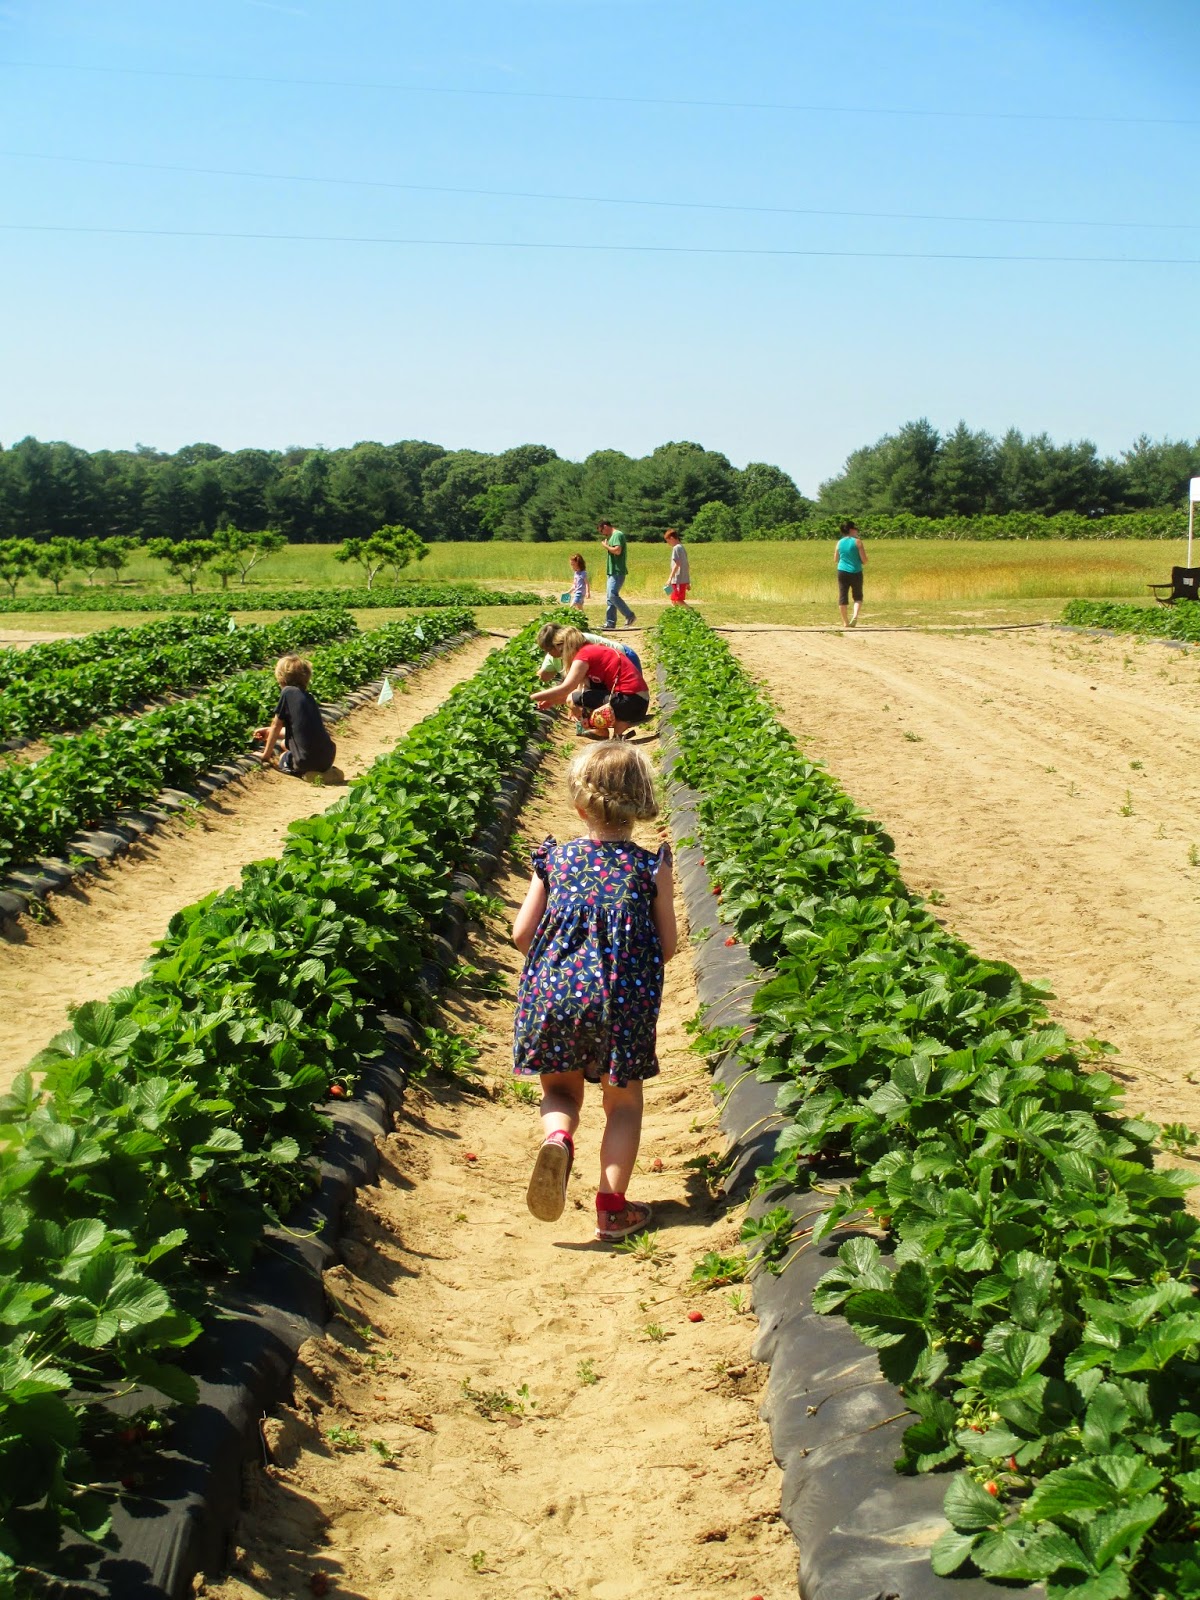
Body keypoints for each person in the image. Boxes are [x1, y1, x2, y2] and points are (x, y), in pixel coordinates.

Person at [512, 741, 677, 1241]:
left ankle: (559, 1138)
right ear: (641, 802)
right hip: (621, 1004)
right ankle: (611, 1209)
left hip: (555, 995)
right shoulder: (651, 868)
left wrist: (559, 966)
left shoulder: (555, 860)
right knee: (623, 1105)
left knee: (560, 1091)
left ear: (580, 804)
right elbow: (667, 946)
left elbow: (521, 934)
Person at [532, 627, 651, 739]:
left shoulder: (584, 655)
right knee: (583, 694)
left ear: (565, 647)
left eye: (561, 651)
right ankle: (619, 726)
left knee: (573, 698)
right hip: (638, 702)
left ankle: (607, 727)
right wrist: (552, 701)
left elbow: (567, 689)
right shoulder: (593, 649)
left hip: (629, 702)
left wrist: (531, 698)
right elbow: (584, 689)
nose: (562, 656)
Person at [253, 653, 337, 776]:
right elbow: (300, 729)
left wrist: (265, 755)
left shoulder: (287, 692)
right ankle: (324, 772)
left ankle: (308, 772)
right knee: (284, 744)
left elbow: (276, 725)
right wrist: (268, 731)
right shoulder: (308, 698)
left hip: (305, 761)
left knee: (283, 756)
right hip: (327, 758)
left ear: (281, 677)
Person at [535, 622, 641, 687]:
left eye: (548, 650)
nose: (548, 653)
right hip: (605, 674)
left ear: (557, 644)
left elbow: (575, 683)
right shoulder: (553, 657)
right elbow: (541, 677)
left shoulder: (577, 643)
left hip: (626, 658)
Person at [598, 519, 636, 631]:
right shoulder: (612, 537)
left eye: (601, 531)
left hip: (617, 571)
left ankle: (629, 615)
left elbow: (617, 551)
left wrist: (605, 546)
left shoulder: (617, 535)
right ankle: (610, 623)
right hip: (612, 571)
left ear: (605, 526)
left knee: (612, 595)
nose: (602, 533)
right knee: (610, 598)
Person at [835, 519, 867, 628]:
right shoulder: (857, 542)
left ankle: (845, 621)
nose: (857, 530)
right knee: (857, 596)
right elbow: (864, 560)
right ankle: (855, 616)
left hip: (842, 571)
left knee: (843, 596)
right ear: (851, 530)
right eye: (855, 528)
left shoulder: (839, 542)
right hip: (856, 571)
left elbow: (836, 559)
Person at [664, 527, 690, 605]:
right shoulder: (682, 547)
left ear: (672, 538)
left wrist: (669, 578)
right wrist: (687, 581)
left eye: (668, 541)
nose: (668, 544)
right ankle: (676, 613)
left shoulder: (676, 548)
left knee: (678, 600)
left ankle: (691, 611)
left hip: (677, 579)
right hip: (681, 579)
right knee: (673, 600)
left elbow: (677, 564)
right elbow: (687, 565)